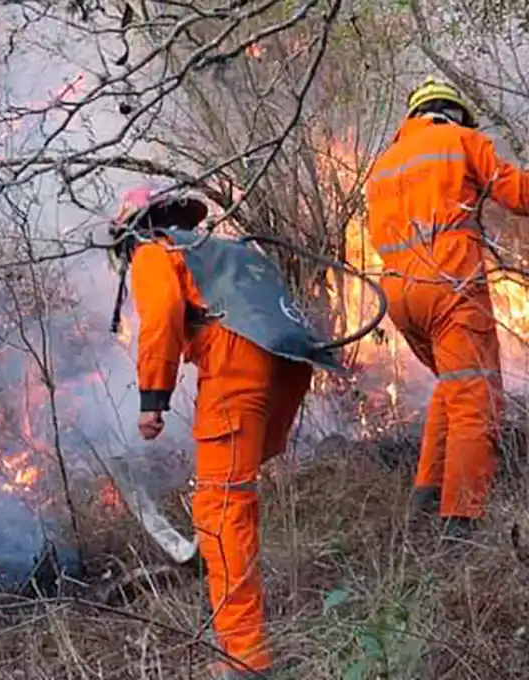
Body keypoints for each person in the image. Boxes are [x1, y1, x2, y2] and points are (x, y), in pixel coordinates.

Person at [109, 186, 342, 679]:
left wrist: (154, 399)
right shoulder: (216, 250)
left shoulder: (153, 250)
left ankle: (243, 657)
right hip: (284, 363)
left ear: (132, 232)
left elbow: (161, 319)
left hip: (237, 365)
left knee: (220, 511)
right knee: (232, 499)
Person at [365, 76, 528, 538]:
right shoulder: (461, 139)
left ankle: (427, 491)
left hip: (399, 295)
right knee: (476, 400)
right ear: (453, 113)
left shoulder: (383, 165)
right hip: (451, 284)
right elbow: (519, 196)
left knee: (452, 386)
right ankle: (461, 521)